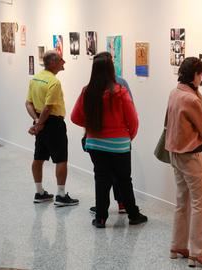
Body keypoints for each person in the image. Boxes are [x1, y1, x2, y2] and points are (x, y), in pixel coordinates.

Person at [71, 52, 147, 228]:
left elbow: (75, 117)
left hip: (95, 144)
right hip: (119, 145)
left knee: (101, 179)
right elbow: (133, 120)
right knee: (124, 180)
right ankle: (133, 215)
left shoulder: (87, 92)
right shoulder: (120, 92)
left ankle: (101, 218)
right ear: (111, 69)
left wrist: (91, 126)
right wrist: (128, 137)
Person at [165, 57, 202, 268]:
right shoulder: (192, 100)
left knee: (182, 201)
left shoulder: (174, 93)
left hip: (174, 154)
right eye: (201, 74)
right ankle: (197, 252)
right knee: (199, 203)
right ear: (195, 75)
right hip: (192, 156)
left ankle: (177, 245)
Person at [25, 50, 79, 207]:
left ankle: (39, 192)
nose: (64, 62)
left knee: (38, 157)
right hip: (54, 124)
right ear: (54, 62)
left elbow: (28, 103)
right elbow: (48, 108)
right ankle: (61, 196)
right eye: (61, 59)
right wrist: (40, 123)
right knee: (61, 159)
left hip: (41, 122)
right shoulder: (54, 83)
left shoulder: (35, 78)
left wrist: (36, 122)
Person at [88, 75, 133, 215]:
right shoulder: (121, 85)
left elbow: (78, 116)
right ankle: (124, 205)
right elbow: (132, 113)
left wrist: (90, 129)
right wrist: (129, 136)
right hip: (119, 141)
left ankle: (101, 212)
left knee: (102, 177)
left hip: (97, 141)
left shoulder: (90, 87)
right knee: (122, 177)